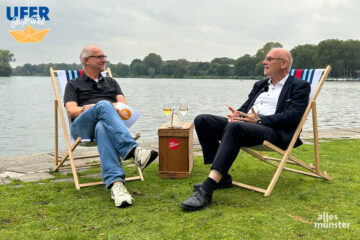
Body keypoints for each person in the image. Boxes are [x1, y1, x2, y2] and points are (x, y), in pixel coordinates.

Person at [181, 48, 310, 211]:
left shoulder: (299, 86)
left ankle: (207, 188)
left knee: (235, 127)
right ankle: (223, 178)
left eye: (269, 59)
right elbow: (246, 107)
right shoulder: (261, 84)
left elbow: (293, 117)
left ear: (283, 64)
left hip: (272, 131)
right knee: (203, 120)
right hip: (245, 125)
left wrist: (260, 120)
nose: (264, 62)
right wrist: (236, 115)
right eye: (266, 58)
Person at [64, 45, 158, 208]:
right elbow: (71, 111)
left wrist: (104, 106)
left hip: (105, 125)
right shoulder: (73, 84)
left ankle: (116, 186)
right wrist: (90, 108)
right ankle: (134, 150)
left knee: (102, 127)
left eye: (104, 56)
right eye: (100, 57)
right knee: (103, 105)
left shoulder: (111, 82)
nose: (104, 60)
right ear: (87, 60)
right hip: (82, 127)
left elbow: (123, 105)